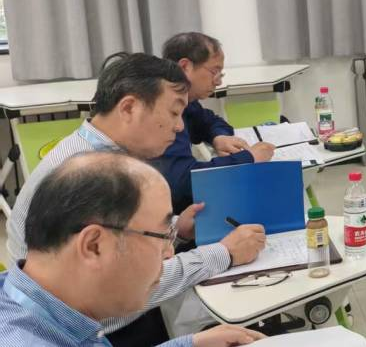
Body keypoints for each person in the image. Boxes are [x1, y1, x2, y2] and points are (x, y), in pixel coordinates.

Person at [5, 53, 267, 346]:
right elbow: (127, 278)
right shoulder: (94, 174)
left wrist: (176, 228)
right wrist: (224, 253)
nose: (180, 127)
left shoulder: (93, 156)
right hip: (113, 326)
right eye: (173, 113)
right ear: (129, 107)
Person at [0, 151, 266, 346]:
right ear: (94, 246)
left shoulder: (34, 301)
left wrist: (189, 344)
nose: (170, 252)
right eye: (162, 236)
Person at [151, 32, 275, 215]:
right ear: (185, 67)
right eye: (214, 71)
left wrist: (219, 137)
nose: (219, 81)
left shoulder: (185, 99)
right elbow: (185, 182)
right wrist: (248, 158)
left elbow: (209, 120)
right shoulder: (161, 108)